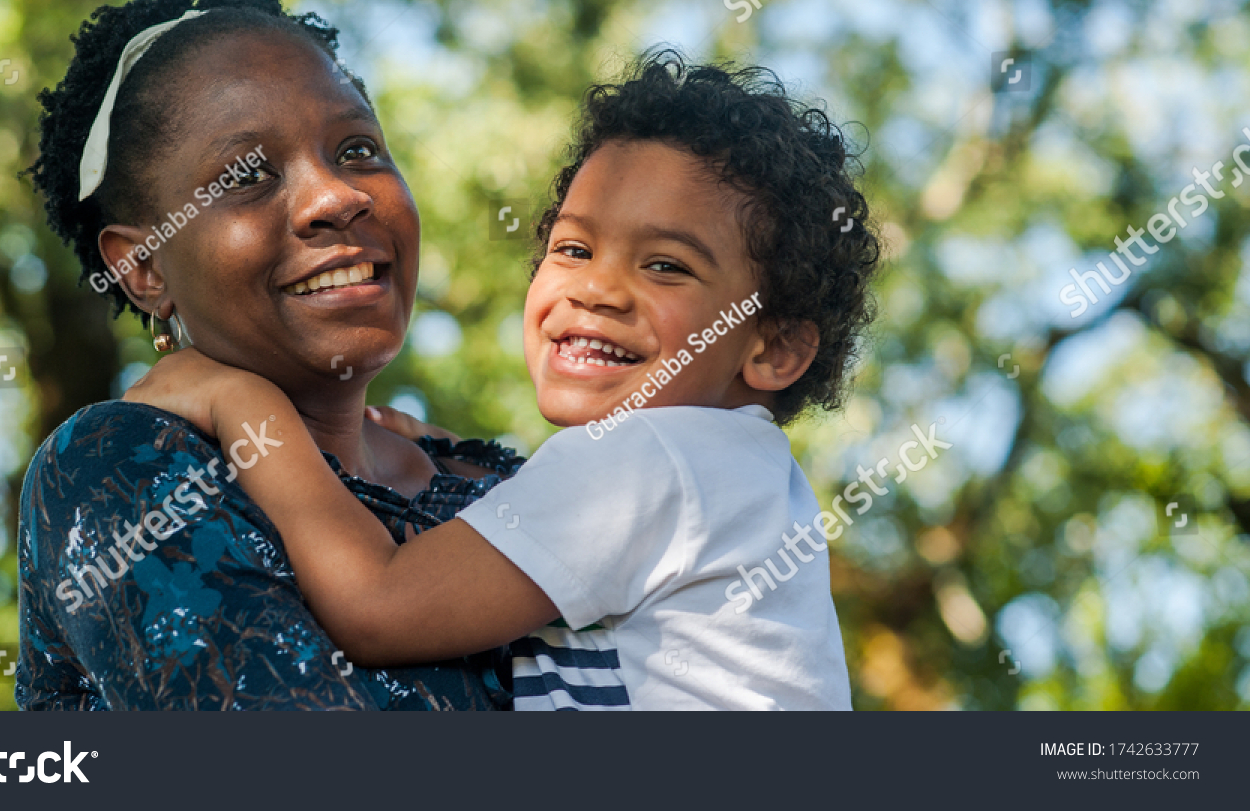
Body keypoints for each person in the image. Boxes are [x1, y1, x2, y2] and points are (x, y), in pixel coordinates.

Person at [127, 50, 882, 709]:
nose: (595, 290)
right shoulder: (729, 472)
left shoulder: (651, 462)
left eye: (665, 266)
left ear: (775, 349)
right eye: (574, 249)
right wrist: (453, 450)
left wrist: (248, 410)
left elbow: (380, 604)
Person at [15, 0, 520, 709]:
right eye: (246, 176)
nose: (337, 196)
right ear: (145, 267)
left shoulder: (497, 484)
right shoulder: (120, 470)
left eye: (357, 151)